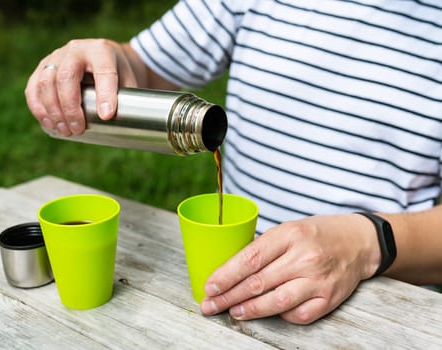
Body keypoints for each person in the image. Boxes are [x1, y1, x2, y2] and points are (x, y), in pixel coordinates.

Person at [25, 0, 442, 324]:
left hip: (382, 307)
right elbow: (143, 68)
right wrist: (107, 58)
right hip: (230, 288)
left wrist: (368, 242)